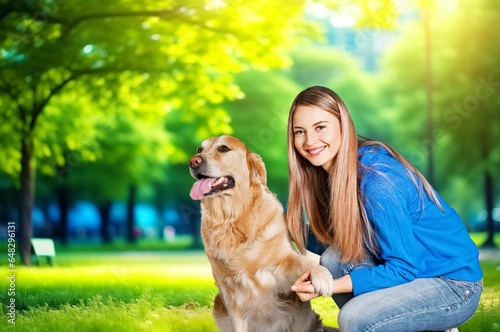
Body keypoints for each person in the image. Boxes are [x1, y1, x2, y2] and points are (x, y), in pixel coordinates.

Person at [287, 86, 483, 332]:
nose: (310, 141)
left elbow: (402, 267)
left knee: (355, 319)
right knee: (334, 259)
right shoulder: (334, 176)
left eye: (320, 127)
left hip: (453, 283)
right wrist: (271, 227)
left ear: (343, 126)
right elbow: (333, 239)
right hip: (417, 273)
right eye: (299, 131)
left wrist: (328, 286)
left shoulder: (377, 181)